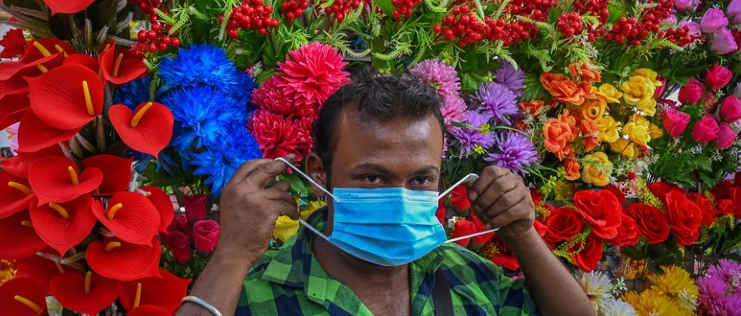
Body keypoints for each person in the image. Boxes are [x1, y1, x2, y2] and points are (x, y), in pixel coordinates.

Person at [177, 72, 594, 316]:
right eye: (373, 179)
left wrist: (522, 234)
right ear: (320, 174)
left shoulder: (471, 279)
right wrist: (231, 254)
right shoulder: (254, 294)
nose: (399, 200)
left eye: (419, 180)